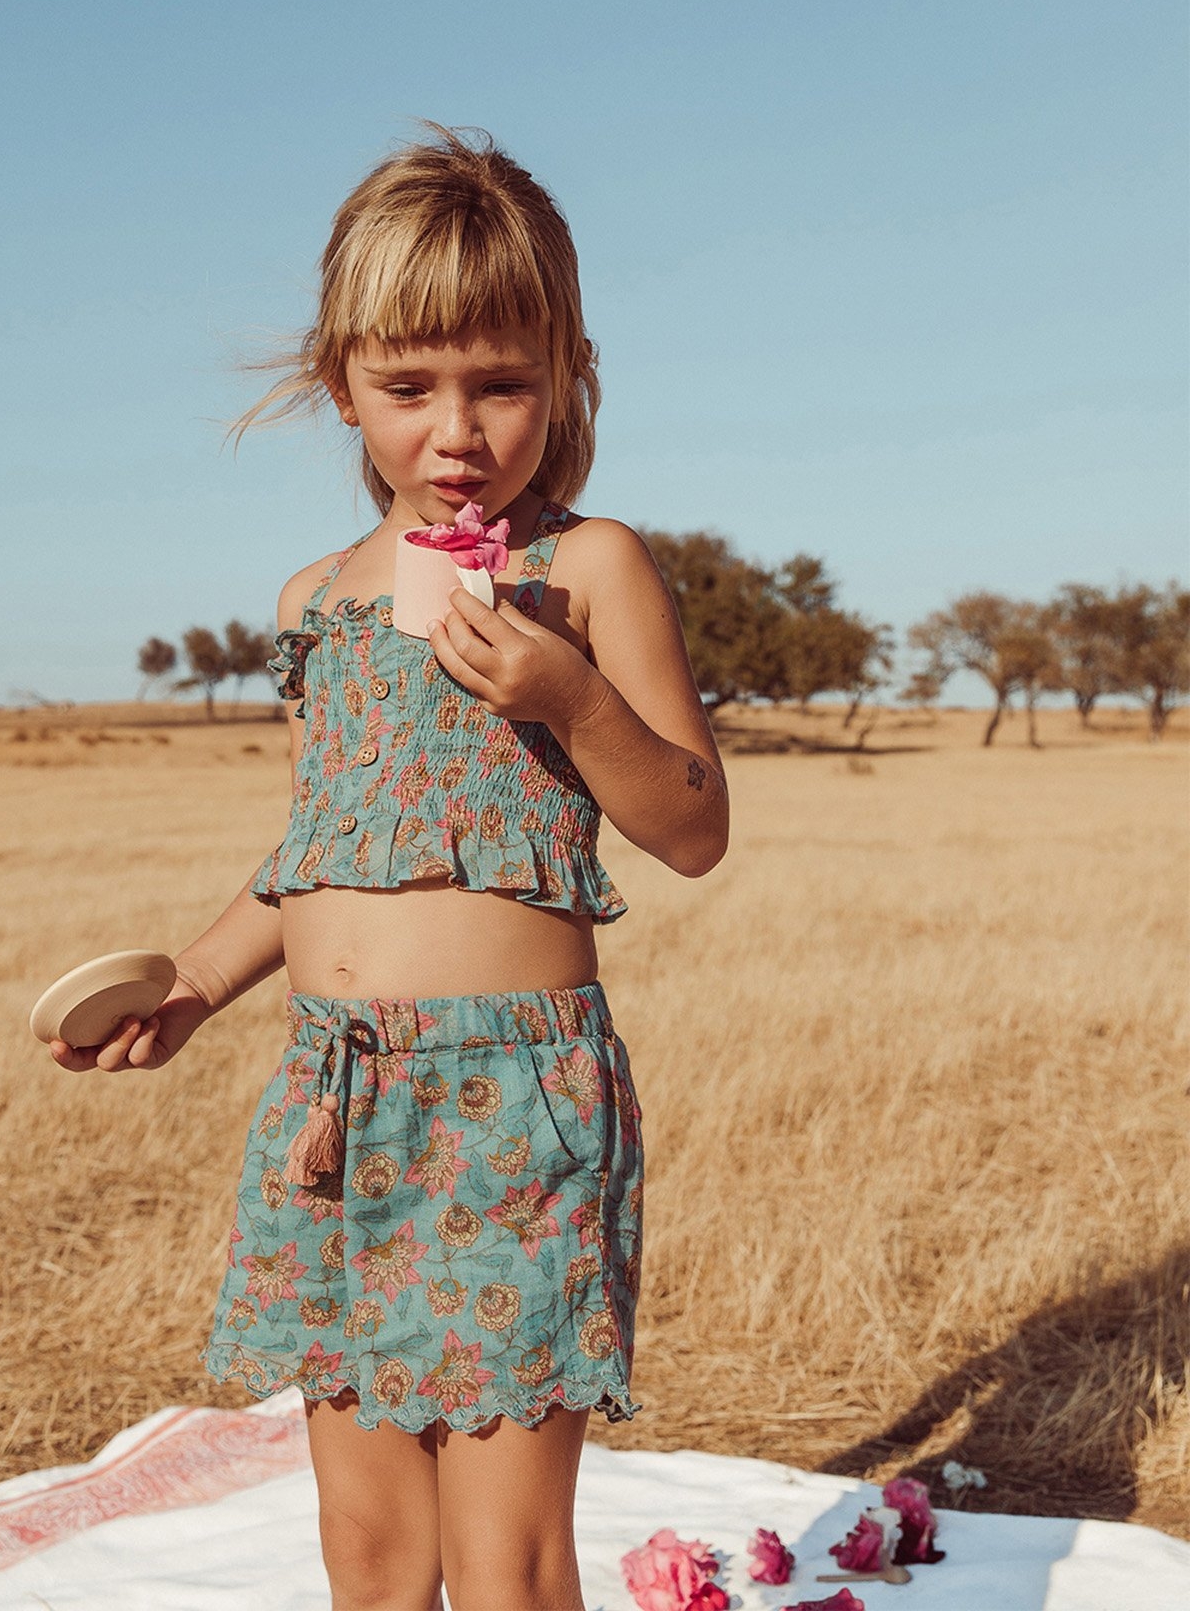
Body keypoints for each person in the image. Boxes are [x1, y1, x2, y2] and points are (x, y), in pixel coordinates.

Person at [44, 126, 729, 1611]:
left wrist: (569, 697)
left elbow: (691, 822)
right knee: (369, 1547)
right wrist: (198, 984)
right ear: (338, 378)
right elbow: (319, 851)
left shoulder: (592, 566)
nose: (458, 432)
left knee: (507, 1562)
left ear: (567, 373)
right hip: (329, 1104)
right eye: (408, 387)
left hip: (515, 1104)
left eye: (502, 384)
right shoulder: (317, 600)